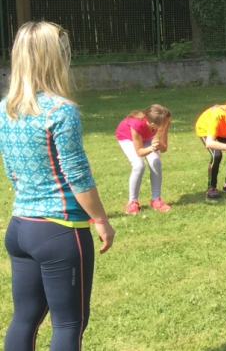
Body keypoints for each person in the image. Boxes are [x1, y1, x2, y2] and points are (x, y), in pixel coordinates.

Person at [1, 21, 115, 350]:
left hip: (20, 228)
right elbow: (77, 175)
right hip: (60, 231)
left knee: (25, 317)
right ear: (56, 58)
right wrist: (101, 219)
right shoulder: (61, 110)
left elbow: (11, 168)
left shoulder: (5, 109)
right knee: (68, 324)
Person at [116, 104, 172, 214]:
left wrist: (159, 145)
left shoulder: (164, 122)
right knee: (139, 166)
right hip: (127, 137)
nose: (168, 123)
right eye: (165, 123)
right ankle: (132, 202)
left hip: (146, 136)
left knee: (156, 162)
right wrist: (151, 148)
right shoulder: (136, 124)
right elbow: (139, 152)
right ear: (153, 124)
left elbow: (164, 148)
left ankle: (156, 200)